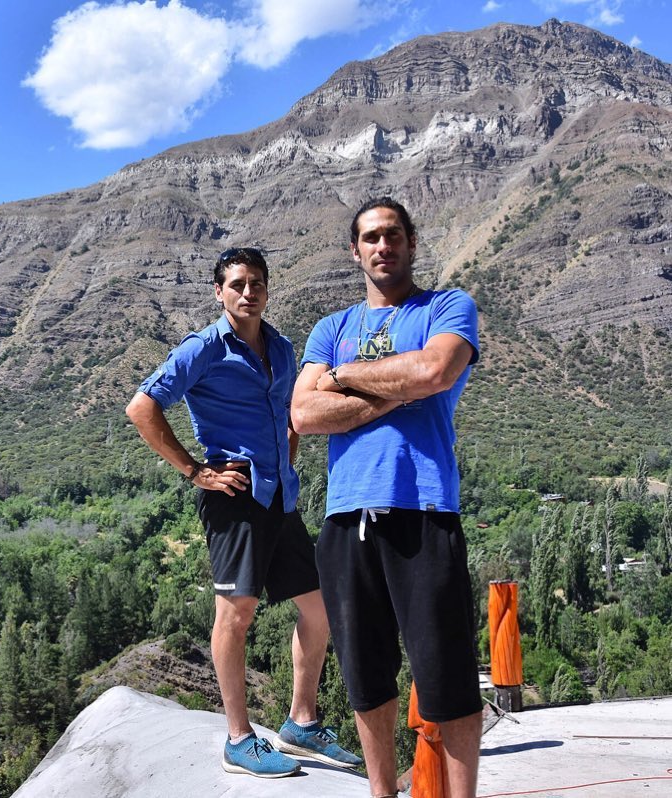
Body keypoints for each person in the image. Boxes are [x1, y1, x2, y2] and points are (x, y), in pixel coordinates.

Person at [125, 247, 362, 778]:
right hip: (232, 498)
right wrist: (196, 471)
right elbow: (141, 407)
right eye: (237, 284)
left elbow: (294, 413)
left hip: (280, 496)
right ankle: (238, 739)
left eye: (256, 282)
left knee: (320, 607)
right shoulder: (205, 348)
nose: (247, 291)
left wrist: (287, 456)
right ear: (219, 292)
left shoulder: (280, 346)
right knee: (237, 615)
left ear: (267, 289)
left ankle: (301, 723)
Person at [291, 197, 483, 798]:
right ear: (355, 251)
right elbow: (302, 411)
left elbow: (435, 373)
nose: (383, 245)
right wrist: (401, 386)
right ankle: (381, 793)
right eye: (371, 237)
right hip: (347, 519)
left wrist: (344, 377)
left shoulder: (447, 307)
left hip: (423, 510)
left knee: (446, 676)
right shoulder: (332, 328)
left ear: (411, 243)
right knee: (367, 676)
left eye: (393, 235)